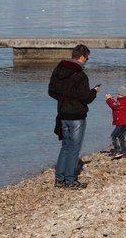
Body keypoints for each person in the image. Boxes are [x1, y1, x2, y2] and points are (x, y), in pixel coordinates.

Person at [48, 44, 100, 190]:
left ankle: (59, 179)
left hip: (63, 113)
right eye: (87, 58)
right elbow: (86, 98)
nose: (87, 60)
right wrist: (94, 91)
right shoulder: (80, 75)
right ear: (82, 57)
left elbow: (51, 91)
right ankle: (70, 180)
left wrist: (63, 99)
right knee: (74, 148)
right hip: (76, 115)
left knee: (65, 146)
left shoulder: (58, 70)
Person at [105, 84, 126, 159]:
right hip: (124, 122)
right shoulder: (122, 100)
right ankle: (124, 153)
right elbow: (116, 105)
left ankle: (117, 150)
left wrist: (109, 99)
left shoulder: (124, 101)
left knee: (113, 136)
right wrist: (112, 99)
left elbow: (114, 106)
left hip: (122, 122)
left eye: (120, 94)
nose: (118, 95)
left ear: (124, 95)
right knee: (121, 137)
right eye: (118, 93)